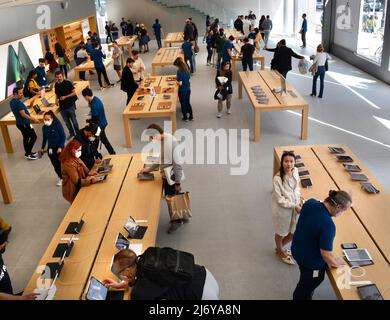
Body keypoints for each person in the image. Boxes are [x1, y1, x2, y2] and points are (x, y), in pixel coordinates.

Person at [292, 190, 352, 300]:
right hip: (309, 261)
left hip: (297, 247)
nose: (342, 213)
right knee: (310, 283)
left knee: (306, 282)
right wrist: (337, 263)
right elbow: (326, 254)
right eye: (344, 210)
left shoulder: (310, 202)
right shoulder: (328, 225)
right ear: (338, 207)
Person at [103, 248, 220, 299]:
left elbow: (137, 293)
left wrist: (130, 285)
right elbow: (146, 280)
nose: (120, 276)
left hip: (202, 295)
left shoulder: (140, 289)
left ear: (128, 271)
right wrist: (122, 285)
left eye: (120, 272)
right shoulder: (148, 255)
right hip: (205, 275)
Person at [140, 124, 186, 233]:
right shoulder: (162, 140)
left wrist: (178, 183)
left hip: (171, 177)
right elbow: (160, 159)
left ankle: (177, 222)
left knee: (171, 199)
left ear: (158, 134)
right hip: (167, 174)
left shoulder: (170, 143)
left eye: (152, 138)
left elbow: (177, 164)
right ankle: (181, 216)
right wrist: (148, 170)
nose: (152, 140)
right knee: (173, 197)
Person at [272, 151, 302, 265]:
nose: (289, 164)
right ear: (282, 162)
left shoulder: (296, 171)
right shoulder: (277, 179)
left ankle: (279, 248)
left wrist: (299, 199)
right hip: (283, 210)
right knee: (281, 232)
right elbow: (280, 200)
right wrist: (294, 205)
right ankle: (280, 251)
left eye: (291, 161)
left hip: (295, 208)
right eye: (286, 161)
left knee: (293, 231)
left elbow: (297, 187)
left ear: (294, 162)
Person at [60, 139, 98, 203]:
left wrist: (89, 173)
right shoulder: (68, 163)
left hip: (80, 184)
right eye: (79, 150)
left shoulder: (74, 156)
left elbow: (83, 166)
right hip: (72, 189)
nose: (80, 152)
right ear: (72, 150)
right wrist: (91, 180)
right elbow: (77, 182)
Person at [82, 87, 116, 155]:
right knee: (97, 138)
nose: (84, 99)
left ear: (86, 96)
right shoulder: (96, 99)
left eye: (84, 97)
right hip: (103, 121)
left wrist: (89, 121)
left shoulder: (93, 105)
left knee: (104, 140)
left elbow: (95, 119)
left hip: (100, 125)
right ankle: (94, 152)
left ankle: (112, 153)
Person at [10, 87, 39, 160]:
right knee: (33, 137)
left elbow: (20, 111)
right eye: (20, 93)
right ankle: (28, 153)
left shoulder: (12, 101)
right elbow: (23, 114)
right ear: (15, 94)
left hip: (20, 123)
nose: (22, 94)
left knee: (26, 138)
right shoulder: (18, 103)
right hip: (24, 124)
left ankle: (28, 152)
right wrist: (33, 119)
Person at [41, 111, 66, 186]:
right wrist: (42, 148)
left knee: (63, 164)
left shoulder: (57, 126)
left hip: (60, 148)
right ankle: (61, 178)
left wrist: (60, 147)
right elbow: (44, 138)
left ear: (52, 119)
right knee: (56, 165)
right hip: (51, 149)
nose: (46, 121)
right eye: (45, 119)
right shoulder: (44, 128)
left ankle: (67, 175)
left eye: (48, 119)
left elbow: (63, 137)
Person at [54, 71, 79, 140]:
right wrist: (55, 100)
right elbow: (56, 94)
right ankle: (71, 133)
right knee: (67, 122)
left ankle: (78, 133)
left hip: (70, 106)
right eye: (57, 77)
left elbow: (74, 93)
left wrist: (66, 97)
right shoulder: (56, 84)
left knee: (74, 121)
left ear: (62, 76)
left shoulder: (67, 83)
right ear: (55, 78)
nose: (59, 78)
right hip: (62, 107)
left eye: (60, 77)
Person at [174, 57, 193, 122]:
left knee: (183, 104)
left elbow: (180, 84)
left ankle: (185, 117)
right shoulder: (186, 69)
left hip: (182, 91)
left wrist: (176, 81)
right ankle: (191, 116)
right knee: (188, 103)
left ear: (178, 65)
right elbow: (190, 80)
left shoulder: (179, 72)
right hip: (188, 89)